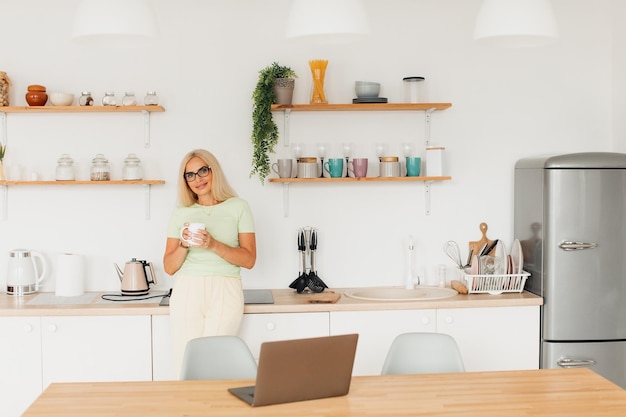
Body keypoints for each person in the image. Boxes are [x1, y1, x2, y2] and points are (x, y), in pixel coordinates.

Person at [163, 149, 256, 374]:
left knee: (217, 363)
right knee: (185, 362)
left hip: (226, 288)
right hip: (187, 289)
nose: (198, 179)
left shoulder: (238, 207)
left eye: (203, 171)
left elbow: (249, 259)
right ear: (185, 181)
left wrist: (213, 244)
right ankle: (187, 410)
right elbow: (169, 266)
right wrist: (184, 245)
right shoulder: (180, 213)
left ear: (214, 171)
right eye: (190, 175)